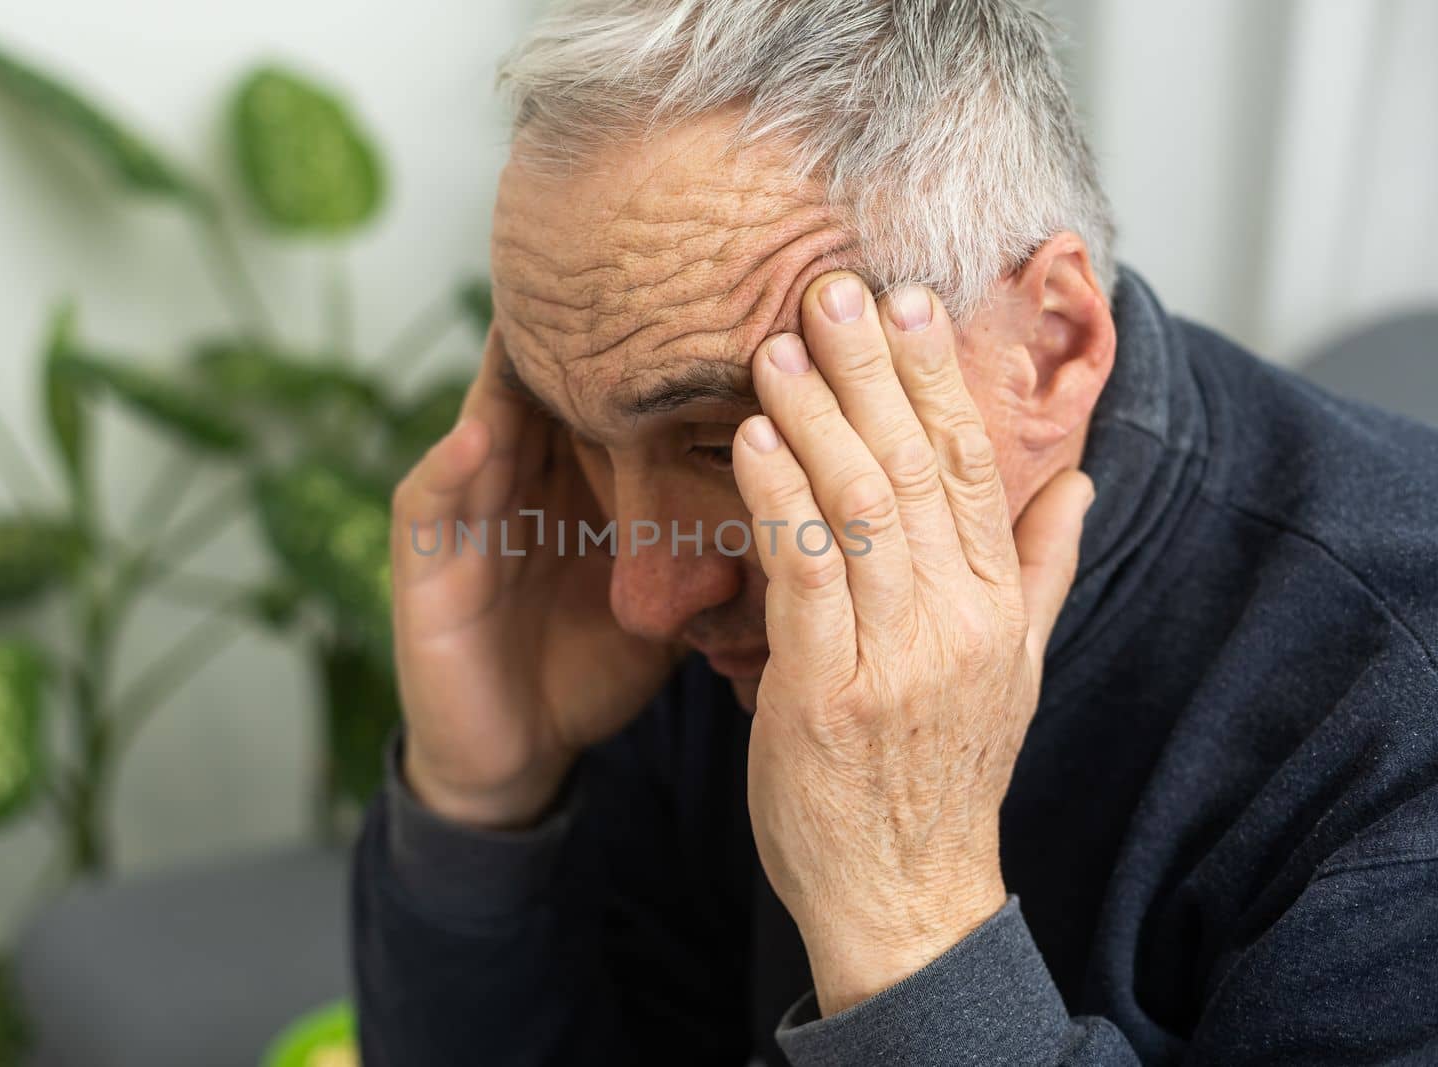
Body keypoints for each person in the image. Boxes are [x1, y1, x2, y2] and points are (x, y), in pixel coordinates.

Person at [352, 1, 1438, 1063]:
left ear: (1048, 348)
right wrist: (483, 810)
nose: (645, 591)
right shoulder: (666, 622)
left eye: (726, 437)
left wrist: (909, 929)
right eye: (574, 433)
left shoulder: (1401, 747)